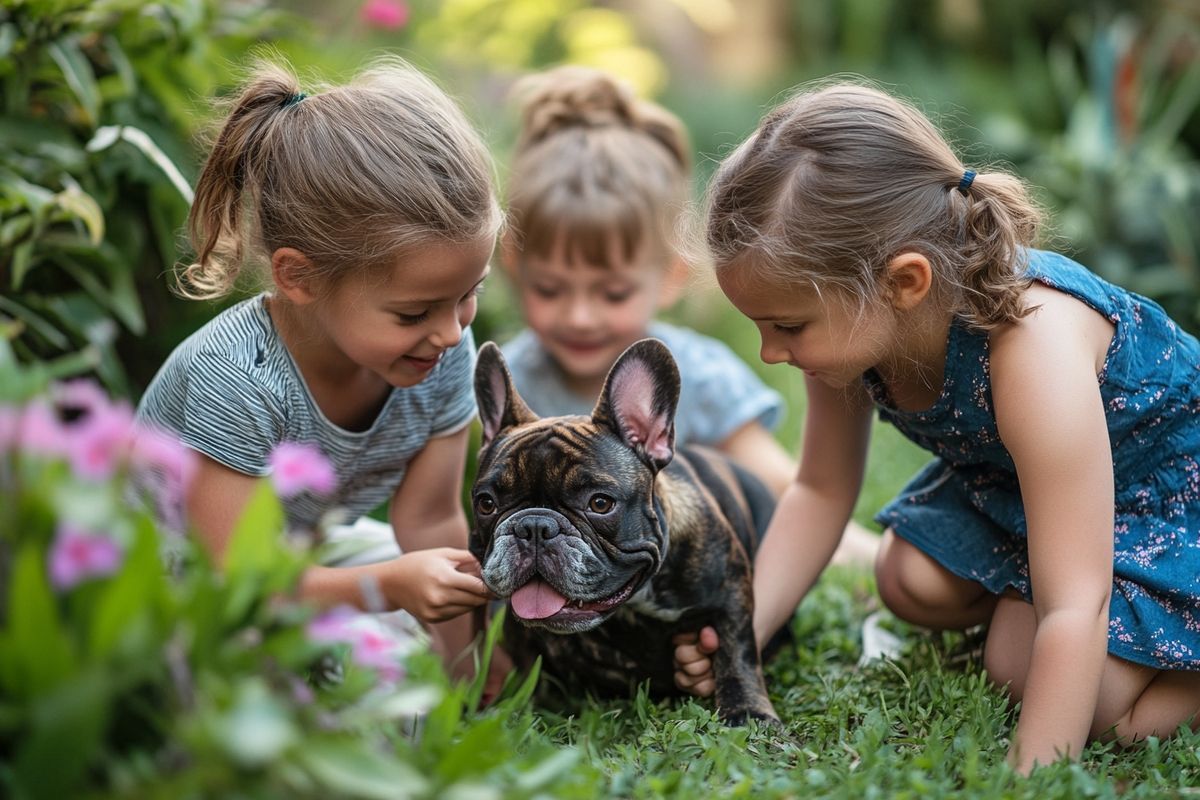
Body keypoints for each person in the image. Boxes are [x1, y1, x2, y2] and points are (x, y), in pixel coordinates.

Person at [673, 81, 1200, 772]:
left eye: (788, 326)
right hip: (1040, 495)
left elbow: (1077, 597)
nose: (772, 352)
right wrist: (739, 638)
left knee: (1037, 672)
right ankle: (1040, 621)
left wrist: (1032, 772)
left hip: (1171, 498)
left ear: (903, 282)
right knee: (908, 577)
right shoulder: (853, 324)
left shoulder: (1031, 349)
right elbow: (822, 490)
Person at [137, 57, 504, 686]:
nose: (451, 331)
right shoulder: (235, 378)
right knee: (327, 671)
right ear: (299, 277)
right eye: (414, 311)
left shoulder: (437, 352)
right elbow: (235, 580)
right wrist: (386, 587)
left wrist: (467, 668)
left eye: (470, 292)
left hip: (303, 553)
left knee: (416, 637)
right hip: (179, 582)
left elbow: (429, 525)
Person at [497, 65, 879, 563]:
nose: (581, 316)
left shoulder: (697, 378)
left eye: (613, 294)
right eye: (549, 289)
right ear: (512, 261)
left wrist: (869, 563)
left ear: (672, 275)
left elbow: (788, 496)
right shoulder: (512, 381)